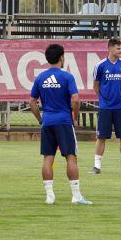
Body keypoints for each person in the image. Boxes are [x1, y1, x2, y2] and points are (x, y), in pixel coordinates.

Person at [30, 44, 91, 205]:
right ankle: (76, 196)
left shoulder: (40, 77)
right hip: (64, 121)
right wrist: (74, 117)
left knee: (48, 158)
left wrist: (40, 119)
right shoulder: (67, 76)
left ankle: (49, 195)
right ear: (62, 57)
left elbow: (32, 102)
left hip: (47, 122)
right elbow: (76, 99)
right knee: (71, 157)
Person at [91, 38, 121, 175]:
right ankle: (96, 166)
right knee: (101, 137)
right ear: (110, 48)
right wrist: (104, 100)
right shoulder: (100, 66)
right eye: (118, 48)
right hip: (105, 107)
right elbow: (96, 86)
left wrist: (119, 95)